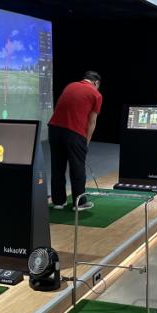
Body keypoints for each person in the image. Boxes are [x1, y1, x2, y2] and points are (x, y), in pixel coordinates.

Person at [48, 71, 102, 211]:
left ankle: (58, 202)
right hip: (74, 132)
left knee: (57, 167)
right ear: (96, 83)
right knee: (77, 168)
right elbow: (92, 122)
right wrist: (86, 142)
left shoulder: (70, 85)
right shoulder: (96, 94)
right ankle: (80, 203)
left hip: (54, 130)